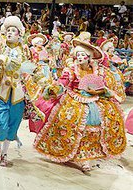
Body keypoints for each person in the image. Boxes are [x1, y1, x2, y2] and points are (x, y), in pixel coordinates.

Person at [34, 39, 127, 172]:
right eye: (78, 56)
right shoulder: (71, 70)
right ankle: (69, 150)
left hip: (95, 100)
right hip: (74, 99)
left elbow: (105, 87)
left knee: (104, 120)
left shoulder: (99, 71)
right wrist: (54, 89)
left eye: (83, 55)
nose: (80, 58)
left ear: (89, 58)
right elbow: (63, 82)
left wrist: (98, 91)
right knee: (68, 120)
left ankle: (86, 158)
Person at [0, 16, 29, 167]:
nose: (9, 33)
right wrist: (0, 58)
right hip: (2, 92)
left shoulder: (25, 50)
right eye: (8, 30)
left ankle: (4, 153)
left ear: (19, 34)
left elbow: (33, 68)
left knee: (13, 125)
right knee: (2, 124)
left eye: (13, 30)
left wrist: (44, 83)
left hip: (17, 95)